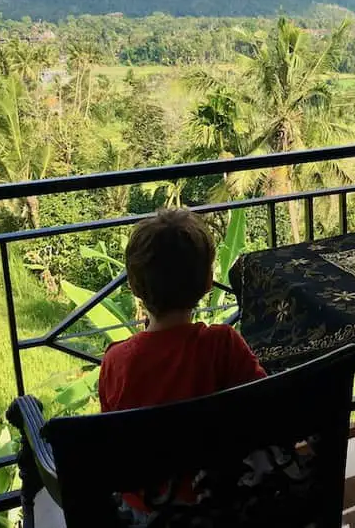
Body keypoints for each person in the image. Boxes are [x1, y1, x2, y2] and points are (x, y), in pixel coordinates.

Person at [99, 208, 266, 514]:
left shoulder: (117, 362)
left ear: (135, 287)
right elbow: (264, 407)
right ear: (207, 283)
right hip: (220, 501)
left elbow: (113, 448)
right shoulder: (224, 344)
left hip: (149, 511)